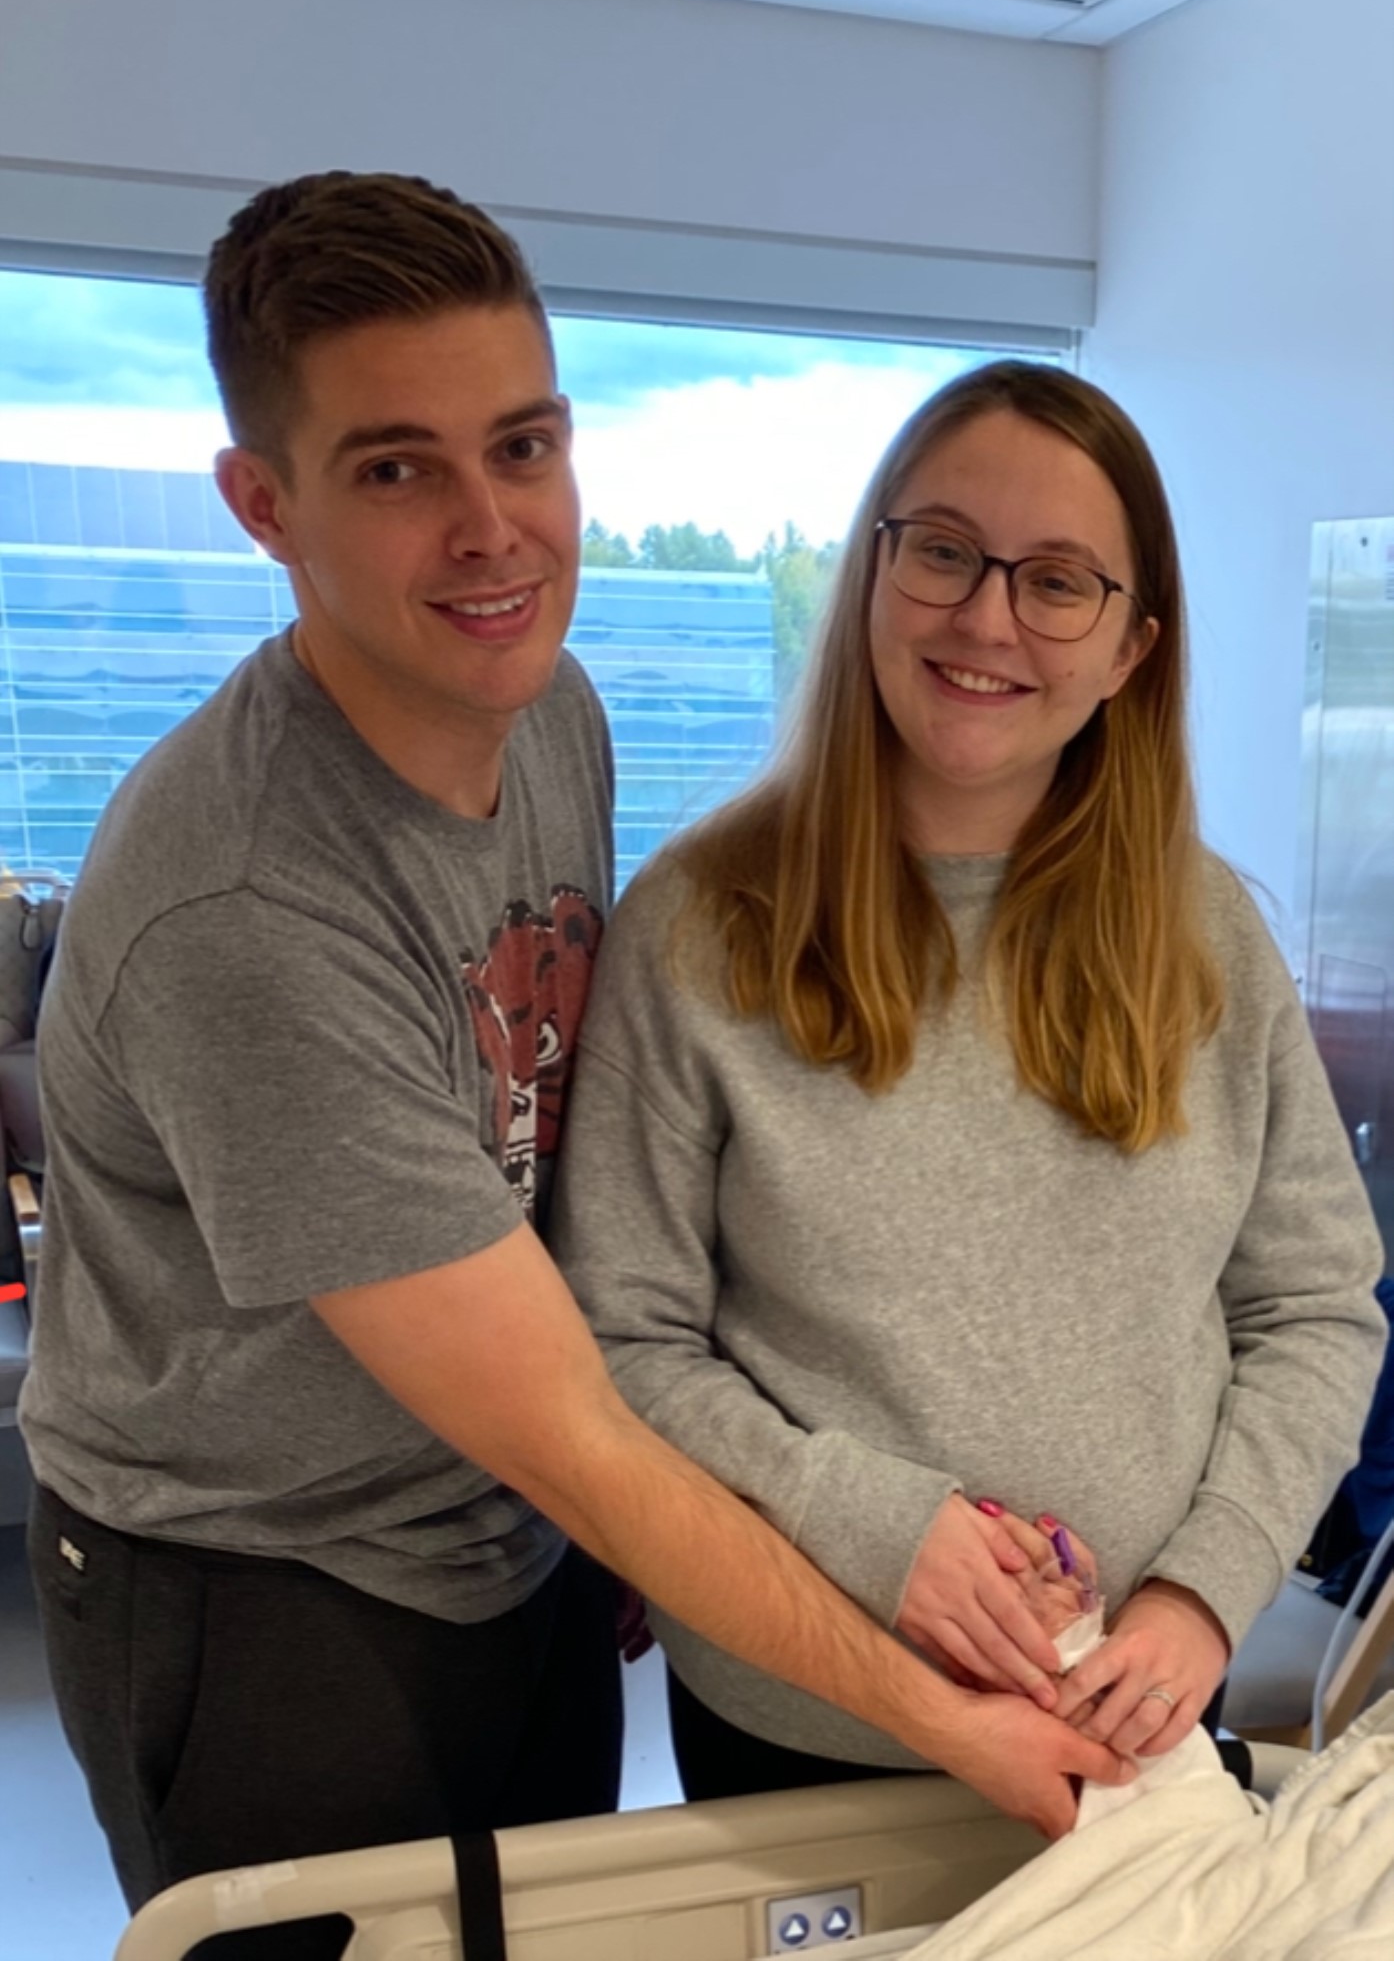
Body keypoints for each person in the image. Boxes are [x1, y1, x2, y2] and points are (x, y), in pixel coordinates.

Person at [18, 180, 1126, 1956]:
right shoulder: (247, 910)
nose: (492, 533)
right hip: (268, 1582)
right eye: (397, 469)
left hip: (511, 1540)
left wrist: (612, 1526)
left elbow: (560, 1164)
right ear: (264, 505)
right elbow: (574, 1422)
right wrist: (945, 1718)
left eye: (521, 446)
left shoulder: (548, 711)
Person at [552, 359, 1387, 1801]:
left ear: (1130, 649)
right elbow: (619, 1344)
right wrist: (870, 1521)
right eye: (942, 552)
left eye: (1057, 581)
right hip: (798, 1721)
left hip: (1130, 1719)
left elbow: (1313, 1305)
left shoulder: (1206, 938)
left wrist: (1203, 1590)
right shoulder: (699, 925)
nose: (987, 619)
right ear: (871, 576)